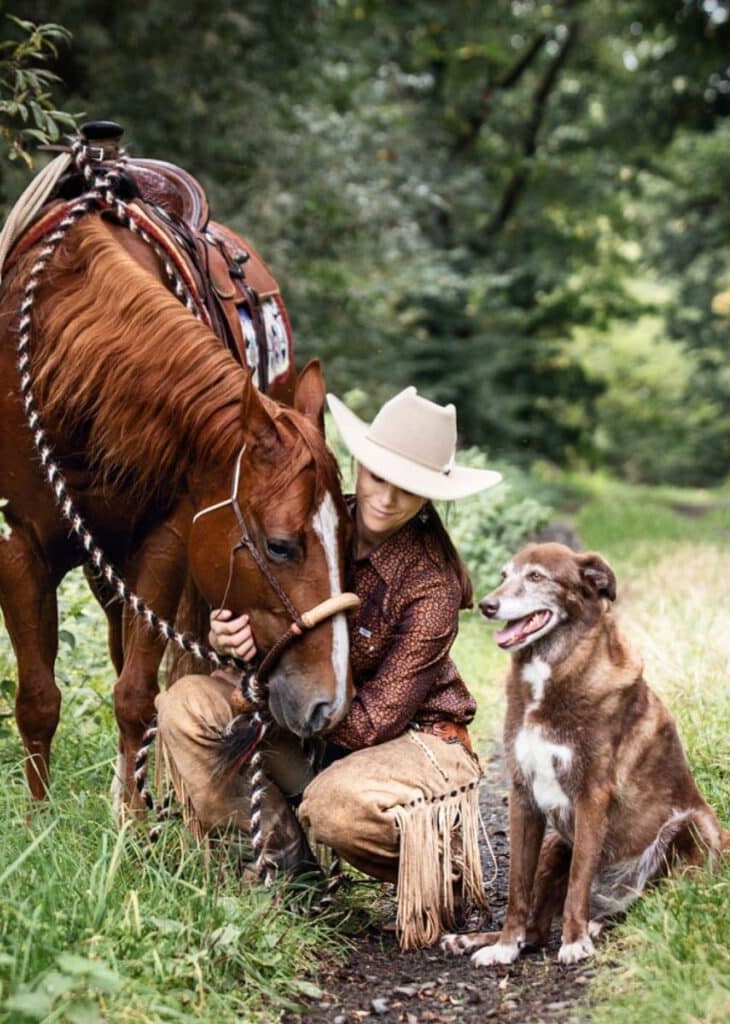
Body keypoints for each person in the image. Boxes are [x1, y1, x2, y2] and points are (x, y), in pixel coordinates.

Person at [155, 387, 502, 949]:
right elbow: (266, 603)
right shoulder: (317, 521)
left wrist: (260, 687)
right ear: (360, 465)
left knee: (337, 807)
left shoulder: (431, 584)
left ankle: (441, 871)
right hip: (317, 726)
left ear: (433, 496)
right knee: (188, 708)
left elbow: (370, 725)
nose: (387, 498)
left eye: (410, 487)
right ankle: (285, 879)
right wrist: (229, 636)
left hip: (409, 741)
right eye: (378, 476)